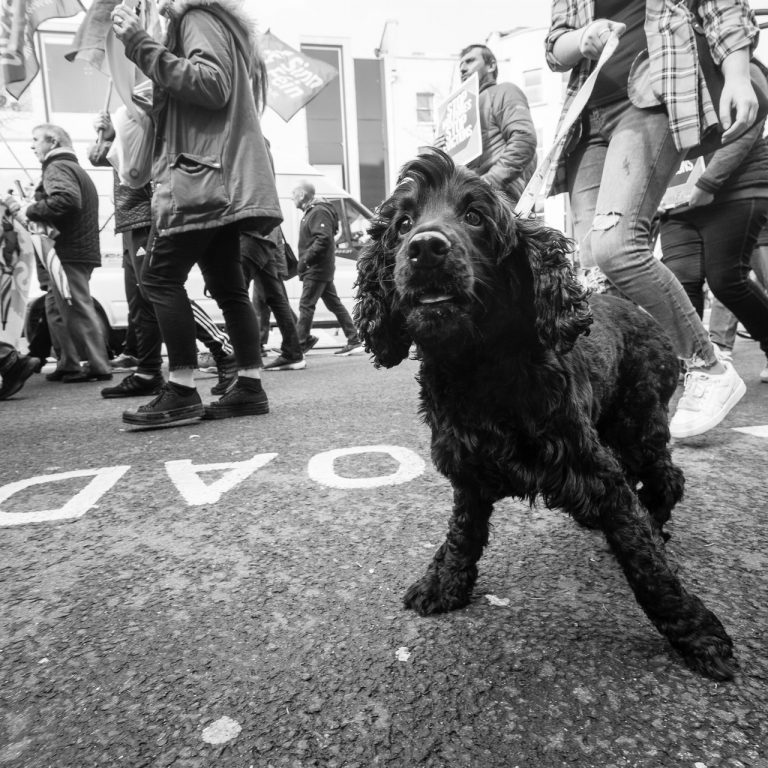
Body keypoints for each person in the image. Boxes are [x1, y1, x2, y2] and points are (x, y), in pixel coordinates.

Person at [544, 0, 760, 439]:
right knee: (592, 265)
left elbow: (722, 7)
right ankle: (621, 382)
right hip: (587, 116)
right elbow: (555, 47)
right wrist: (582, 38)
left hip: (652, 92)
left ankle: (709, 366)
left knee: (617, 246)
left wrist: (738, 75)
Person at [111, 0, 282, 426]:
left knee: (158, 278)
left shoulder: (196, 18)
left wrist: (139, 43)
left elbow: (212, 85)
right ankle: (249, 386)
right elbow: (208, 89)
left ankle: (182, 389)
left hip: (199, 177)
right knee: (228, 286)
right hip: (214, 174)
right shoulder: (212, 21)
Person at [89, 111, 239, 399]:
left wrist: (111, 137)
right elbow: (100, 157)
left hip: (147, 213)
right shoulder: (127, 113)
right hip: (131, 218)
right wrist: (108, 136)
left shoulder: (141, 108)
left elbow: (136, 158)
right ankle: (148, 371)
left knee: (157, 290)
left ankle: (222, 348)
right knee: (140, 299)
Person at [659, 122, 768, 386]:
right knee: (681, 284)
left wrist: (709, 181)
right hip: (676, 197)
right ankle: (697, 363)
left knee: (726, 281)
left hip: (735, 186)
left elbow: (750, 122)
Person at [4, 124, 112, 384]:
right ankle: (69, 363)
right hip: (72, 250)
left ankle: (98, 365)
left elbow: (66, 200)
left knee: (77, 307)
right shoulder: (70, 167)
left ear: (52, 142)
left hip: (67, 251)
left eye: (36, 140)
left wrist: (29, 209)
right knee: (55, 308)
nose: (32, 145)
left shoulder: (57, 166)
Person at [451, 44, 538, 205]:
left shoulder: (505, 91)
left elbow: (523, 138)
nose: (462, 69)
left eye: (470, 61)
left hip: (501, 199)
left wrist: (487, 184)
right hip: (471, 201)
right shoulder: (462, 110)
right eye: (460, 65)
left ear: (491, 65)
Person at [292, 181, 362, 356]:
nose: (292, 198)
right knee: (334, 304)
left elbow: (323, 239)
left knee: (306, 305)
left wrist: (305, 260)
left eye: (294, 194)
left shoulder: (318, 212)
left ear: (302, 195)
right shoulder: (314, 211)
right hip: (320, 268)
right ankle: (354, 339)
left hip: (316, 268)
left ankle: (299, 345)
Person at [241, 227, 306, 371]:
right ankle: (293, 351)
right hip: (264, 245)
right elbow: (277, 240)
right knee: (275, 300)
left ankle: (233, 355)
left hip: (249, 238)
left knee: (235, 296)